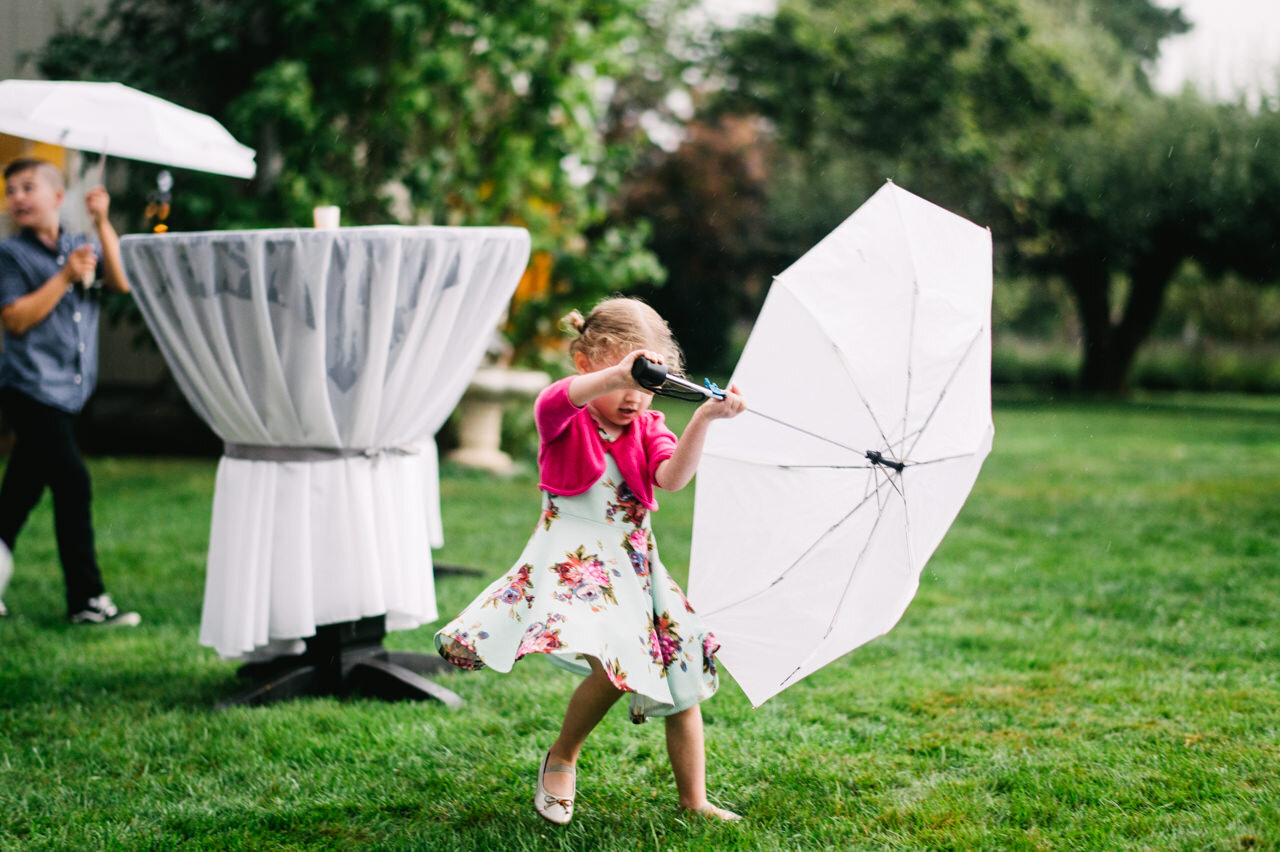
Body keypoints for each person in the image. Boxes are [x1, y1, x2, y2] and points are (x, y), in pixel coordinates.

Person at [436, 296, 747, 825]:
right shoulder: (566, 417)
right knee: (614, 659)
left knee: (682, 669)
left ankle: (694, 801)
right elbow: (557, 399)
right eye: (625, 380)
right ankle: (562, 757)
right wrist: (620, 373)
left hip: (635, 567)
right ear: (586, 364)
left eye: (648, 385)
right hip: (576, 564)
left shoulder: (648, 428)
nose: (634, 396)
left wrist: (703, 419)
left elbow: (671, 479)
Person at [0, 157, 139, 626]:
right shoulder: (11, 256)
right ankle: (87, 599)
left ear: (58, 197)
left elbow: (119, 282)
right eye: (11, 190)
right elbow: (15, 319)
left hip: (69, 391)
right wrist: (62, 277)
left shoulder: (81, 245)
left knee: (20, 490)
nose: (17, 197)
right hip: (29, 387)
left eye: (27, 187)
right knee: (73, 482)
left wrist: (102, 223)